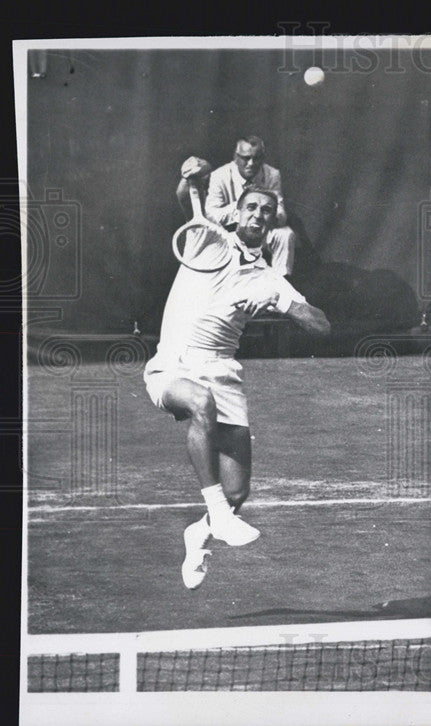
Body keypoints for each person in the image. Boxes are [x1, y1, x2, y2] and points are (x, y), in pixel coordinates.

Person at [145, 157, 330, 589]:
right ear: (238, 212)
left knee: (236, 494)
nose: (258, 216)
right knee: (199, 402)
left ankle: (202, 530)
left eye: (267, 211)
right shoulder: (206, 240)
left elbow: (322, 325)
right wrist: (191, 175)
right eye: (251, 208)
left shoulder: (269, 278)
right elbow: (183, 195)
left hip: (224, 373)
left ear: (272, 220)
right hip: (174, 365)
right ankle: (221, 520)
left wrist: (285, 305)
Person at [204, 135, 297, 276]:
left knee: (285, 234)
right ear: (236, 157)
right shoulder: (219, 175)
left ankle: (282, 282)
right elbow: (211, 216)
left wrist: (263, 213)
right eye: (246, 158)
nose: (251, 163)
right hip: (232, 233)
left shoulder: (272, 174)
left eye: (257, 158)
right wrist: (244, 207)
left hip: (260, 230)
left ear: (263, 158)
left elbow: (281, 214)